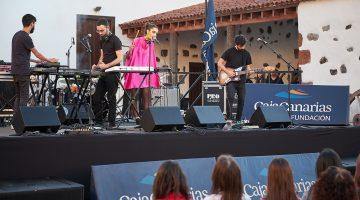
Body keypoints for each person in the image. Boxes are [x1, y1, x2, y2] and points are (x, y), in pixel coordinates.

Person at [11, 14, 58, 113]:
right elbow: (36, 53)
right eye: (34, 24)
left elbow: (20, 55)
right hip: (23, 71)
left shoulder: (16, 35)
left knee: (18, 96)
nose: (34, 26)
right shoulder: (26, 37)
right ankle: (21, 122)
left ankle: (15, 121)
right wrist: (49, 60)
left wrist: (37, 61)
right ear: (32, 23)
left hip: (15, 71)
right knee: (24, 97)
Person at [124, 22, 160, 121]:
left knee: (146, 94)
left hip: (146, 71)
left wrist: (154, 70)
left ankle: (147, 117)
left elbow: (152, 58)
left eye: (156, 33)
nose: (154, 35)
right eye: (153, 32)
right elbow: (127, 57)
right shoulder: (136, 40)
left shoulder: (152, 44)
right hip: (135, 70)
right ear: (147, 31)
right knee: (134, 95)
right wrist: (130, 50)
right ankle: (135, 116)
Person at [92, 18, 123, 128]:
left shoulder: (116, 40)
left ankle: (112, 123)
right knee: (96, 96)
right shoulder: (101, 40)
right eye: (98, 31)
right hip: (104, 72)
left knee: (111, 97)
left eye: (102, 31)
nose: (100, 33)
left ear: (108, 28)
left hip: (113, 72)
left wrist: (107, 65)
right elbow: (102, 56)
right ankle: (99, 121)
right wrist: (98, 65)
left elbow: (119, 58)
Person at [217, 35, 252, 121]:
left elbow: (248, 68)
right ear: (237, 44)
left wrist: (250, 72)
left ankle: (238, 119)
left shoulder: (247, 53)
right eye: (241, 45)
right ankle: (229, 118)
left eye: (244, 44)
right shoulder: (229, 51)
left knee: (242, 99)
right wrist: (228, 71)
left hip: (241, 80)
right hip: (230, 79)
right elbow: (219, 63)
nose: (243, 46)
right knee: (231, 97)